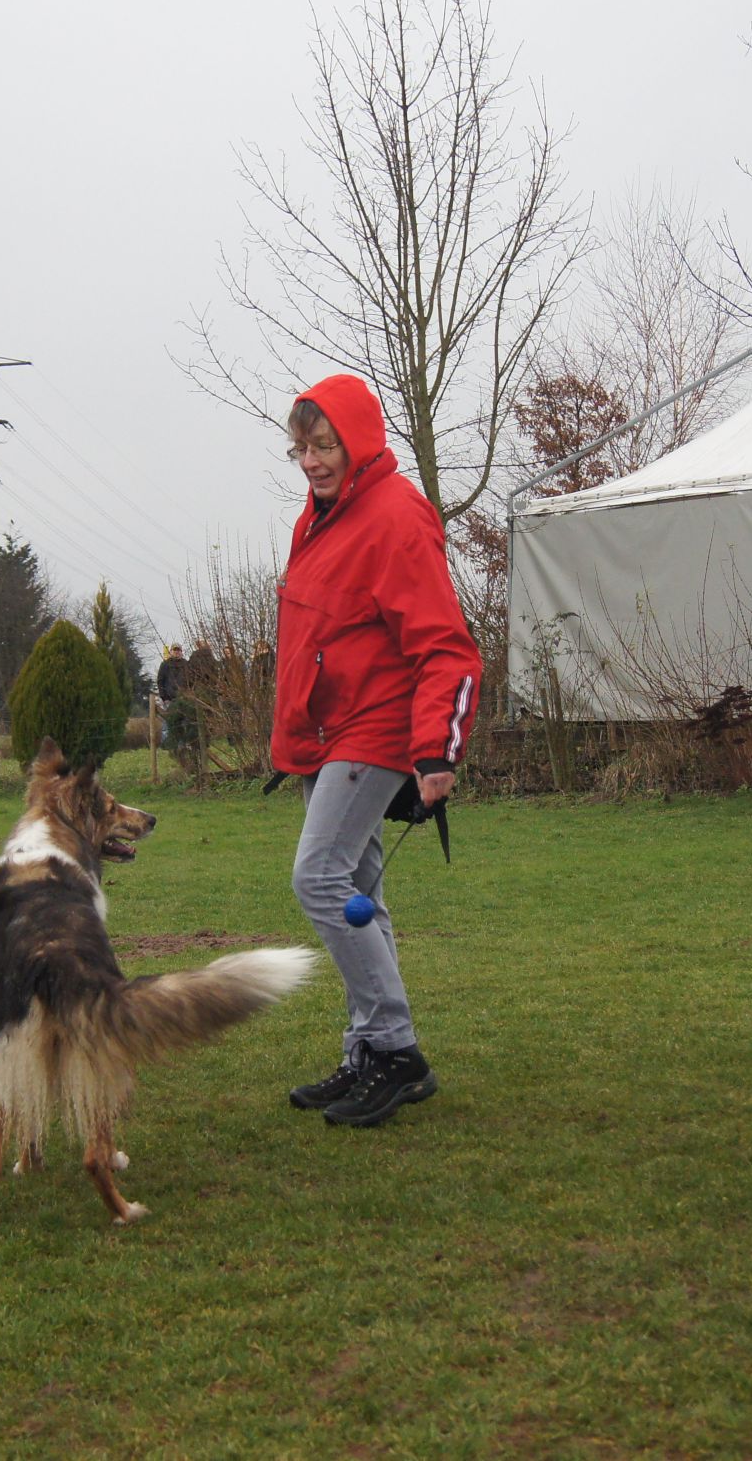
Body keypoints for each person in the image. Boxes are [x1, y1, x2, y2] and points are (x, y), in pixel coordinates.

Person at [273, 374, 481, 1127]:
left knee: (319, 878)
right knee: (360, 897)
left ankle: (395, 1048)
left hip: (377, 730)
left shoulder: (396, 517)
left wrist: (436, 752)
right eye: (301, 447)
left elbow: (447, 648)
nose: (312, 461)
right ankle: (368, 1049)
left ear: (357, 439)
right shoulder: (318, 521)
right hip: (326, 738)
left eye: (324, 445)